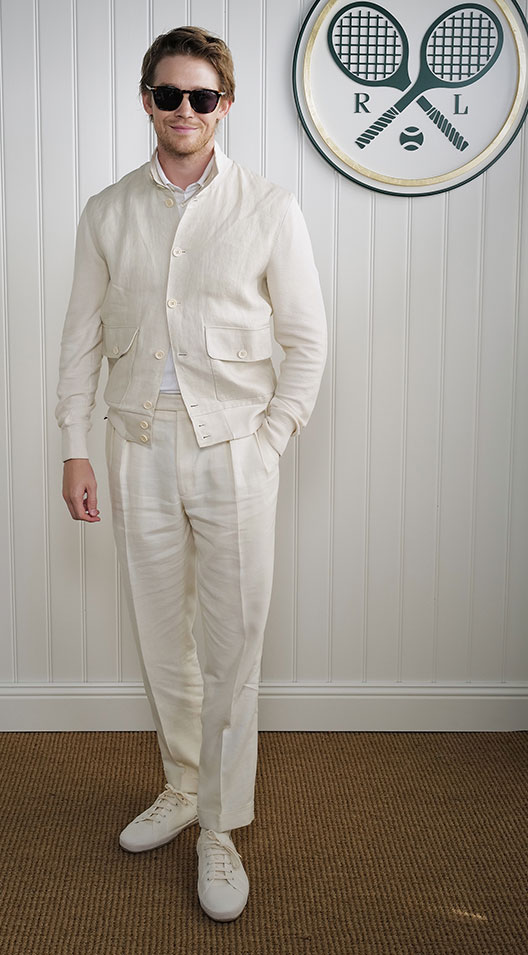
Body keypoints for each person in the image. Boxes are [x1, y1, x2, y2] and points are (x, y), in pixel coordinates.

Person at [56, 25, 327, 922]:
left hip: (235, 449)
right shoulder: (107, 210)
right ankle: (180, 785)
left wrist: (272, 437)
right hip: (136, 443)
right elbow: (81, 342)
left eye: (201, 97)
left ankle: (220, 823)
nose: (184, 111)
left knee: (232, 639)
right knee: (160, 635)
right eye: (168, 95)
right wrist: (75, 445)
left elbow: (306, 341)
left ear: (225, 105)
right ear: (146, 101)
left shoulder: (269, 207)